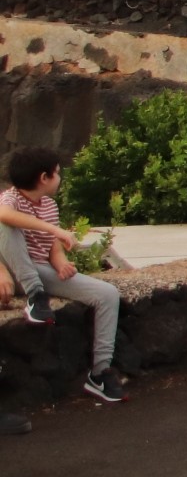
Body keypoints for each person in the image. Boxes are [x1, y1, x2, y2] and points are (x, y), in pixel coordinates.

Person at [0, 148, 124, 402]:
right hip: (13, 269)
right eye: (57, 173)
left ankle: (100, 374)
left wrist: (62, 263)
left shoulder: (49, 206)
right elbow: (4, 217)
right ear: (44, 177)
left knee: (107, 294)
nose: (60, 177)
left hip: (38, 270)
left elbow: (52, 249)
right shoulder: (9, 199)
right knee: (6, 225)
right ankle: (36, 296)